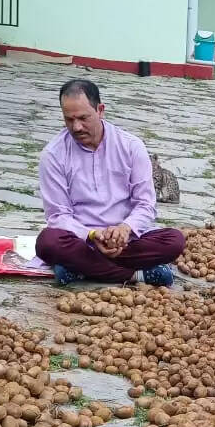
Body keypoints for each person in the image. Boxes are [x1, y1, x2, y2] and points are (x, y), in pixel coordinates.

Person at [36, 79, 186, 285]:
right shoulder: (53, 154)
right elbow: (58, 215)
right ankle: (137, 275)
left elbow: (145, 204)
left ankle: (81, 269)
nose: (77, 127)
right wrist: (92, 235)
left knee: (174, 240)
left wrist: (125, 228)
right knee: (47, 243)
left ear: (100, 110)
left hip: (126, 241)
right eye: (69, 119)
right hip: (81, 239)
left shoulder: (131, 147)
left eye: (83, 118)